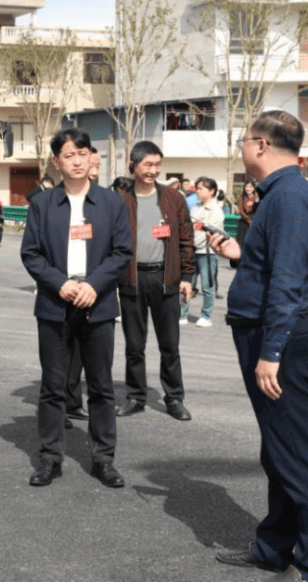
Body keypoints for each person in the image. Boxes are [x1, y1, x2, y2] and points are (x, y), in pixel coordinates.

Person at [208, 110, 308, 582]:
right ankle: (273, 547)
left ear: (262, 146)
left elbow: (288, 282)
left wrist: (272, 351)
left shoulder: (288, 195)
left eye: (244, 141)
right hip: (273, 333)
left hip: (282, 339)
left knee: (301, 459)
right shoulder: (283, 195)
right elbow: (280, 263)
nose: (241, 149)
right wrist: (243, 255)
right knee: (279, 451)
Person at [20, 128, 132, 489]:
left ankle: (103, 460)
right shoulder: (42, 204)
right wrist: (61, 283)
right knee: (52, 387)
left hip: (97, 306)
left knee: (101, 387)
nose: (78, 160)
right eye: (69, 155)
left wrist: (93, 285)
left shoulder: (112, 203)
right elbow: (31, 254)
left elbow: (121, 253)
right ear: (57, 161)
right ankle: (50, 459)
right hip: (55, 305)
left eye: (83, 153)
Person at [116, 142, 195, 421]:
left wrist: (186, 277)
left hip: (165, 279)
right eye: (148, 165)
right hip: (132, 279)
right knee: (134, 346)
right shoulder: (120, 198)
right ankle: (136, 397)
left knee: (170, 345)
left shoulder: (173, 199)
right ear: (134, 165)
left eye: (157, 165)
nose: (153, 170)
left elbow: (186, 239)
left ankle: (174, 398)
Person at [182, 177, 223, 327]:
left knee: (207, 287)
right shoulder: (195, 208)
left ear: (211, 191)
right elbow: (190, 226)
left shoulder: (216, 210)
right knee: (187, 284)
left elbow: (211, 230)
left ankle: (206, 316)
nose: (197, 192)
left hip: (207, 253)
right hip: (192, 251)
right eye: (197, 188)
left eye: (201, 189)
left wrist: (197, 225)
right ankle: (182, 314)